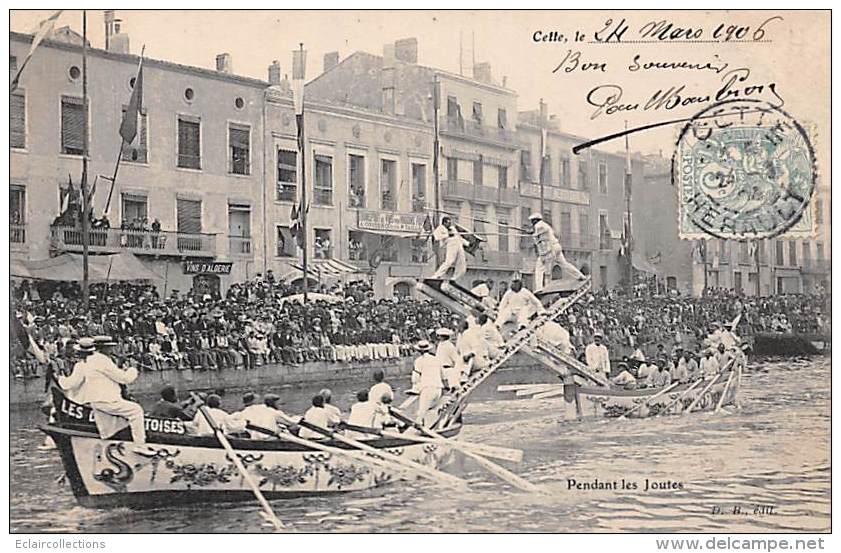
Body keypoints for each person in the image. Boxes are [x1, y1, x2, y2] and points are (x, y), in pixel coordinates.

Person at [58, 336, 153, 454]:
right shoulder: (102, 360)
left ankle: (117, 446)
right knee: (136, 410)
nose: (112, 350)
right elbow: (124, 379)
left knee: (113, 427)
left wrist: (60, 379)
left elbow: (73, 383)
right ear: (103, 348)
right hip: (106, 400)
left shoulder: (89, 361)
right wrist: (133, 369)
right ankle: (140, 446)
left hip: (96, 401)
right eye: (110, 348)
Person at [527, 212, 585, 291]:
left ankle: (539, 288)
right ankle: (580, 276)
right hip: (556, 247)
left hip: (550, 249)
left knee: (539, 268)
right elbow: (537, 235)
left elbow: (537, 230)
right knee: (564, 264)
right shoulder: (544, 226)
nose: (531, 223)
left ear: (535, 220)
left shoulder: (540, 225)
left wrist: (532, 231)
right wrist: (532, 232)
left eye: (532, 221)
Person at [415, 339, 445, 427]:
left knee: (421, 414)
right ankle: (431, 426)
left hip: (427, 388)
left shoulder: (419, 361)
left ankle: (419, 428)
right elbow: (443, 375)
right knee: (431, 409)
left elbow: (416, 377)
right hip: (438, 388)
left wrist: (416, 388)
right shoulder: (436, 359)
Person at [430, 216, 468, 281]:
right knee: (449, 261)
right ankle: (436, 275)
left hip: (458, 244)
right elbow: (436, 237)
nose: (449, 224)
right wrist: (447, 235)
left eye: (450, 222)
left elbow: (458, 237)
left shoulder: (452, 228)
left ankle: (456, 277)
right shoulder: (440, 228)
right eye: (448, 222)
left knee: (462, 262)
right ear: (444, 223)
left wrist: (467, 243)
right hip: (451, 244)